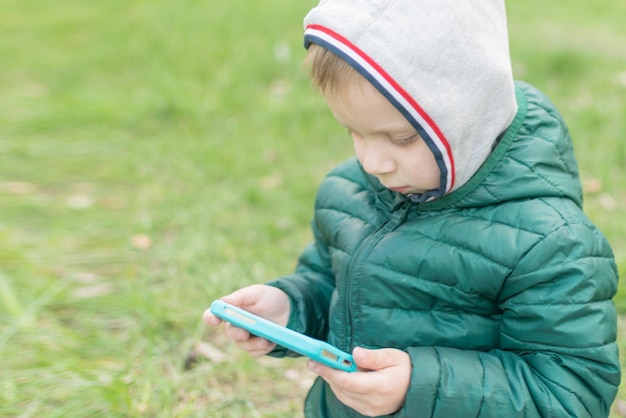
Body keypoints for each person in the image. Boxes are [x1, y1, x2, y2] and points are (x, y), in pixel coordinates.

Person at [203, 0, 621, 416]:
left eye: (400, 138)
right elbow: (334, 288)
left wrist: (419, 386)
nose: (373, 162)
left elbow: (571, 394)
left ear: (470, 116)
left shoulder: (550, 243)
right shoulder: (349, 192)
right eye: (354, 131)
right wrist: (290, 308)